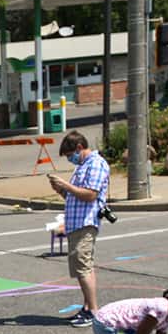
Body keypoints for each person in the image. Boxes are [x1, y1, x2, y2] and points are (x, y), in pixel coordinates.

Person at [49, 130, 111, 323]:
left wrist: (66, 186)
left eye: (70, 155)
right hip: (76, 222)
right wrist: (61, 190)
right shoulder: (83, 166)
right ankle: (87, 307)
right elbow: (74, 196)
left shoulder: (96, 163)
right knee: (83, 267)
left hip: (86, 222)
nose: (70, 159)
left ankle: (93, 311)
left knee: (83, 267)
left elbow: (91, 194)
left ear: (79, 148)